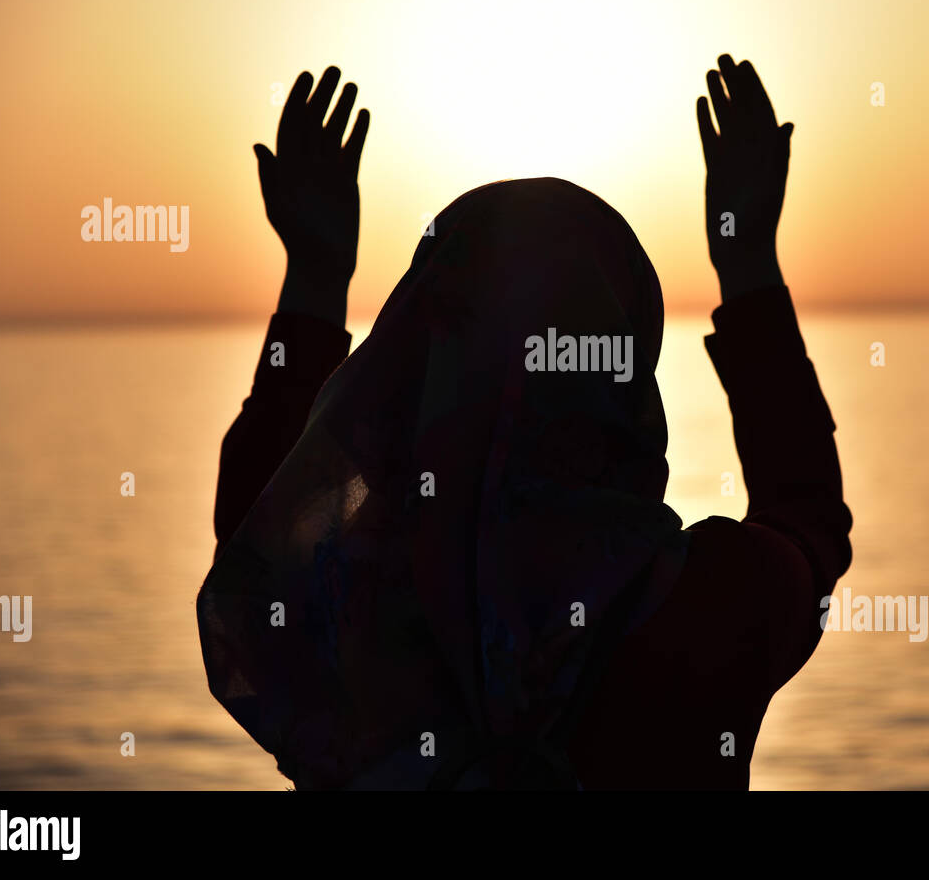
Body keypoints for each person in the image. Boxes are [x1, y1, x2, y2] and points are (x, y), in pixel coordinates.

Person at [197, 55, 853, 789]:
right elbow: (810, 516)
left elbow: (260, 532)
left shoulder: (351, 612)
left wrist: (316, 282)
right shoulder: (709, 609)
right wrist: (749, 262)